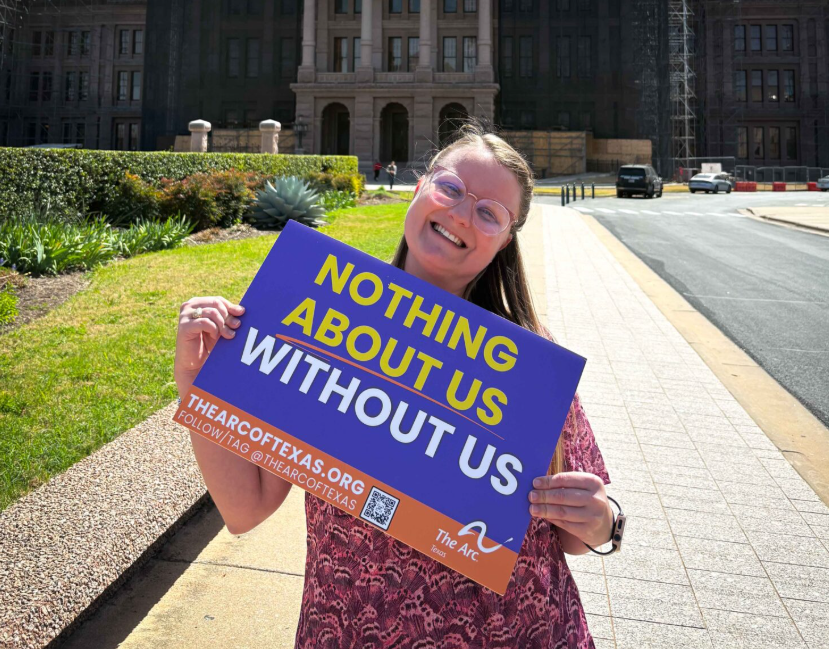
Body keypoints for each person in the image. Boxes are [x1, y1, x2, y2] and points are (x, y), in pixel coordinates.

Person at [175, 122, 614, 648]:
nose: (458, 214)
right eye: (450, 188)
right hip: (352, 630)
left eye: (488, 212)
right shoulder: (320, 318)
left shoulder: (528, 363)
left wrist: (602, 522)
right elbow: (246, 507)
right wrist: (196, 381)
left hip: (518, 632)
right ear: (421, 183)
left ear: (505, 241)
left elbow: (574, 533)